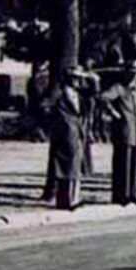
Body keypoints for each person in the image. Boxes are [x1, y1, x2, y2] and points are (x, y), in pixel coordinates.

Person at [99, 63, 136, 206]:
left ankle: (132, 193)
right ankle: (121, 195)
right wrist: (113, 113)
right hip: (123, 131)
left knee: (133, 164)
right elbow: (103, 97)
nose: (135, 76)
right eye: (132, 73)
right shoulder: (119, 88)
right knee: (122, 164)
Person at [49, 68, 87, 210]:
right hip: (64, 132)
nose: (78, 81)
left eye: (79, 78)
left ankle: (73, 198)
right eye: (75, 78)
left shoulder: (77, 94)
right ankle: (65, 200)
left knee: (75, 165)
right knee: (66, 166)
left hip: (76, 132)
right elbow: (46, 105)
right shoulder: (60, 93)